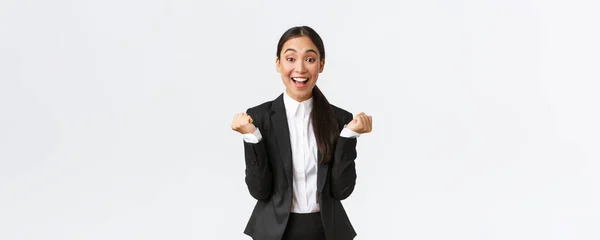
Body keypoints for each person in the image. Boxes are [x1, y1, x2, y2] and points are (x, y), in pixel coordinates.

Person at [231, 26, 373, 240]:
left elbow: (341, 191)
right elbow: (260, 191)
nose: (300, 69)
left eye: (309, 59)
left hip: (326, 230)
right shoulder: (259, 117)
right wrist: (252, 137)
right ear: (278, 64)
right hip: (276, 231)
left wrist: (348, 136)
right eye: (290, 59)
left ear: (321, 64)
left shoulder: (339, 119)